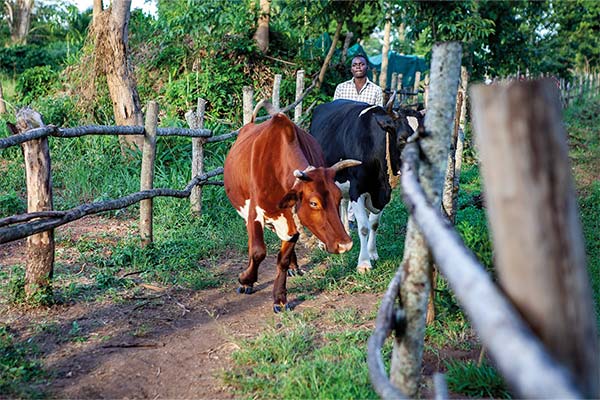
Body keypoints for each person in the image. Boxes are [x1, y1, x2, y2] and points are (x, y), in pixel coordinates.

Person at [333, 55, 384, 229]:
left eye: (361, 64)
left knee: (360, 173)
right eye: (355, 65)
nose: (358, 67)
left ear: (366, 67)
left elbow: (379, 116)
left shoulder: (376, 90)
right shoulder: (341, 88)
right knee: (343, 173)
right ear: (351, 69)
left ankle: (354, 216)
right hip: (343, 137)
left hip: (365, 140)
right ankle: (344, 216)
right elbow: (336, 112)